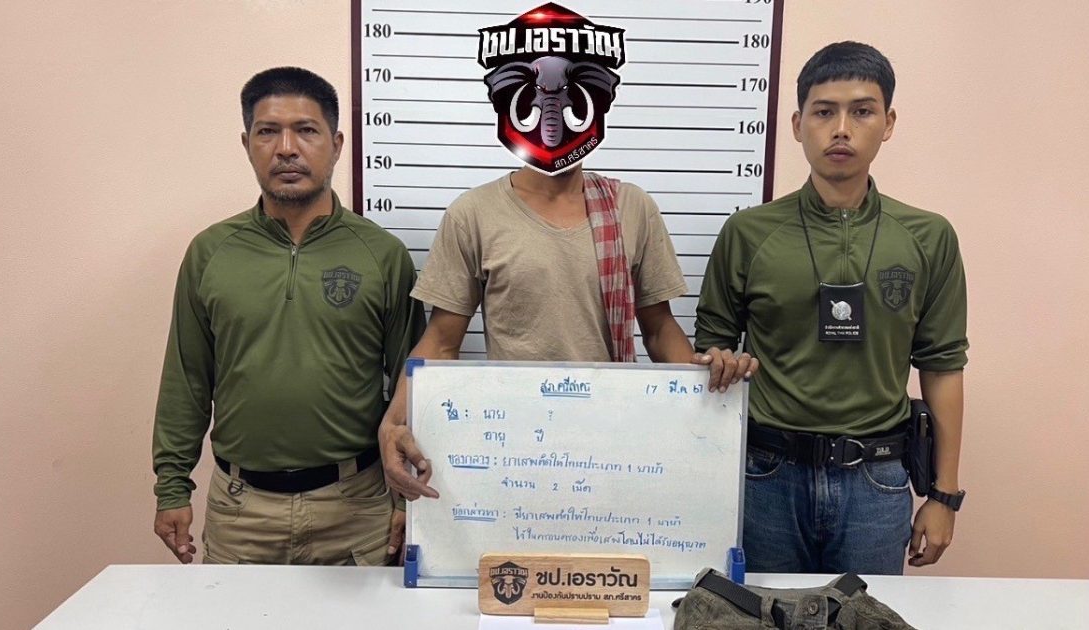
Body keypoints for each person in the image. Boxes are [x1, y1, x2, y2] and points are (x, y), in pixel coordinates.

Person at [695, 41, 969, 574]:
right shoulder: (748, 233)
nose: (841, 129)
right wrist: (721, 360)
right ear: (798, 125)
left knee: (865, 611)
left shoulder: (928, 236)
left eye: (862, 111)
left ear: (888, 123)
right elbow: (713, 346)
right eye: (824, 112)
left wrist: (944, 496)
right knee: (766, 610)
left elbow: (942, 367)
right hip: (766, 478)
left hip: (877, 482)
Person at [151, 67, 424, 565]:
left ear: (336, 145)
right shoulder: (211, 253)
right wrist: (172, 487)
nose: (286, 148)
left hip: (357, 511)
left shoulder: (382, 255)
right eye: (268, 131)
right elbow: (187, 380)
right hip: (241, 514)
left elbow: (415, 385)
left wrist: (408, 500)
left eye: (306, 130)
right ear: (246, 144)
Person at [378, 163, 759, 507]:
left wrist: (708, 377)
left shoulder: (630, 207)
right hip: (515, 445)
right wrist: (393, 422)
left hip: (613, 441)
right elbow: (442, 341)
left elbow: (659, 328)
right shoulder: (473, 213)